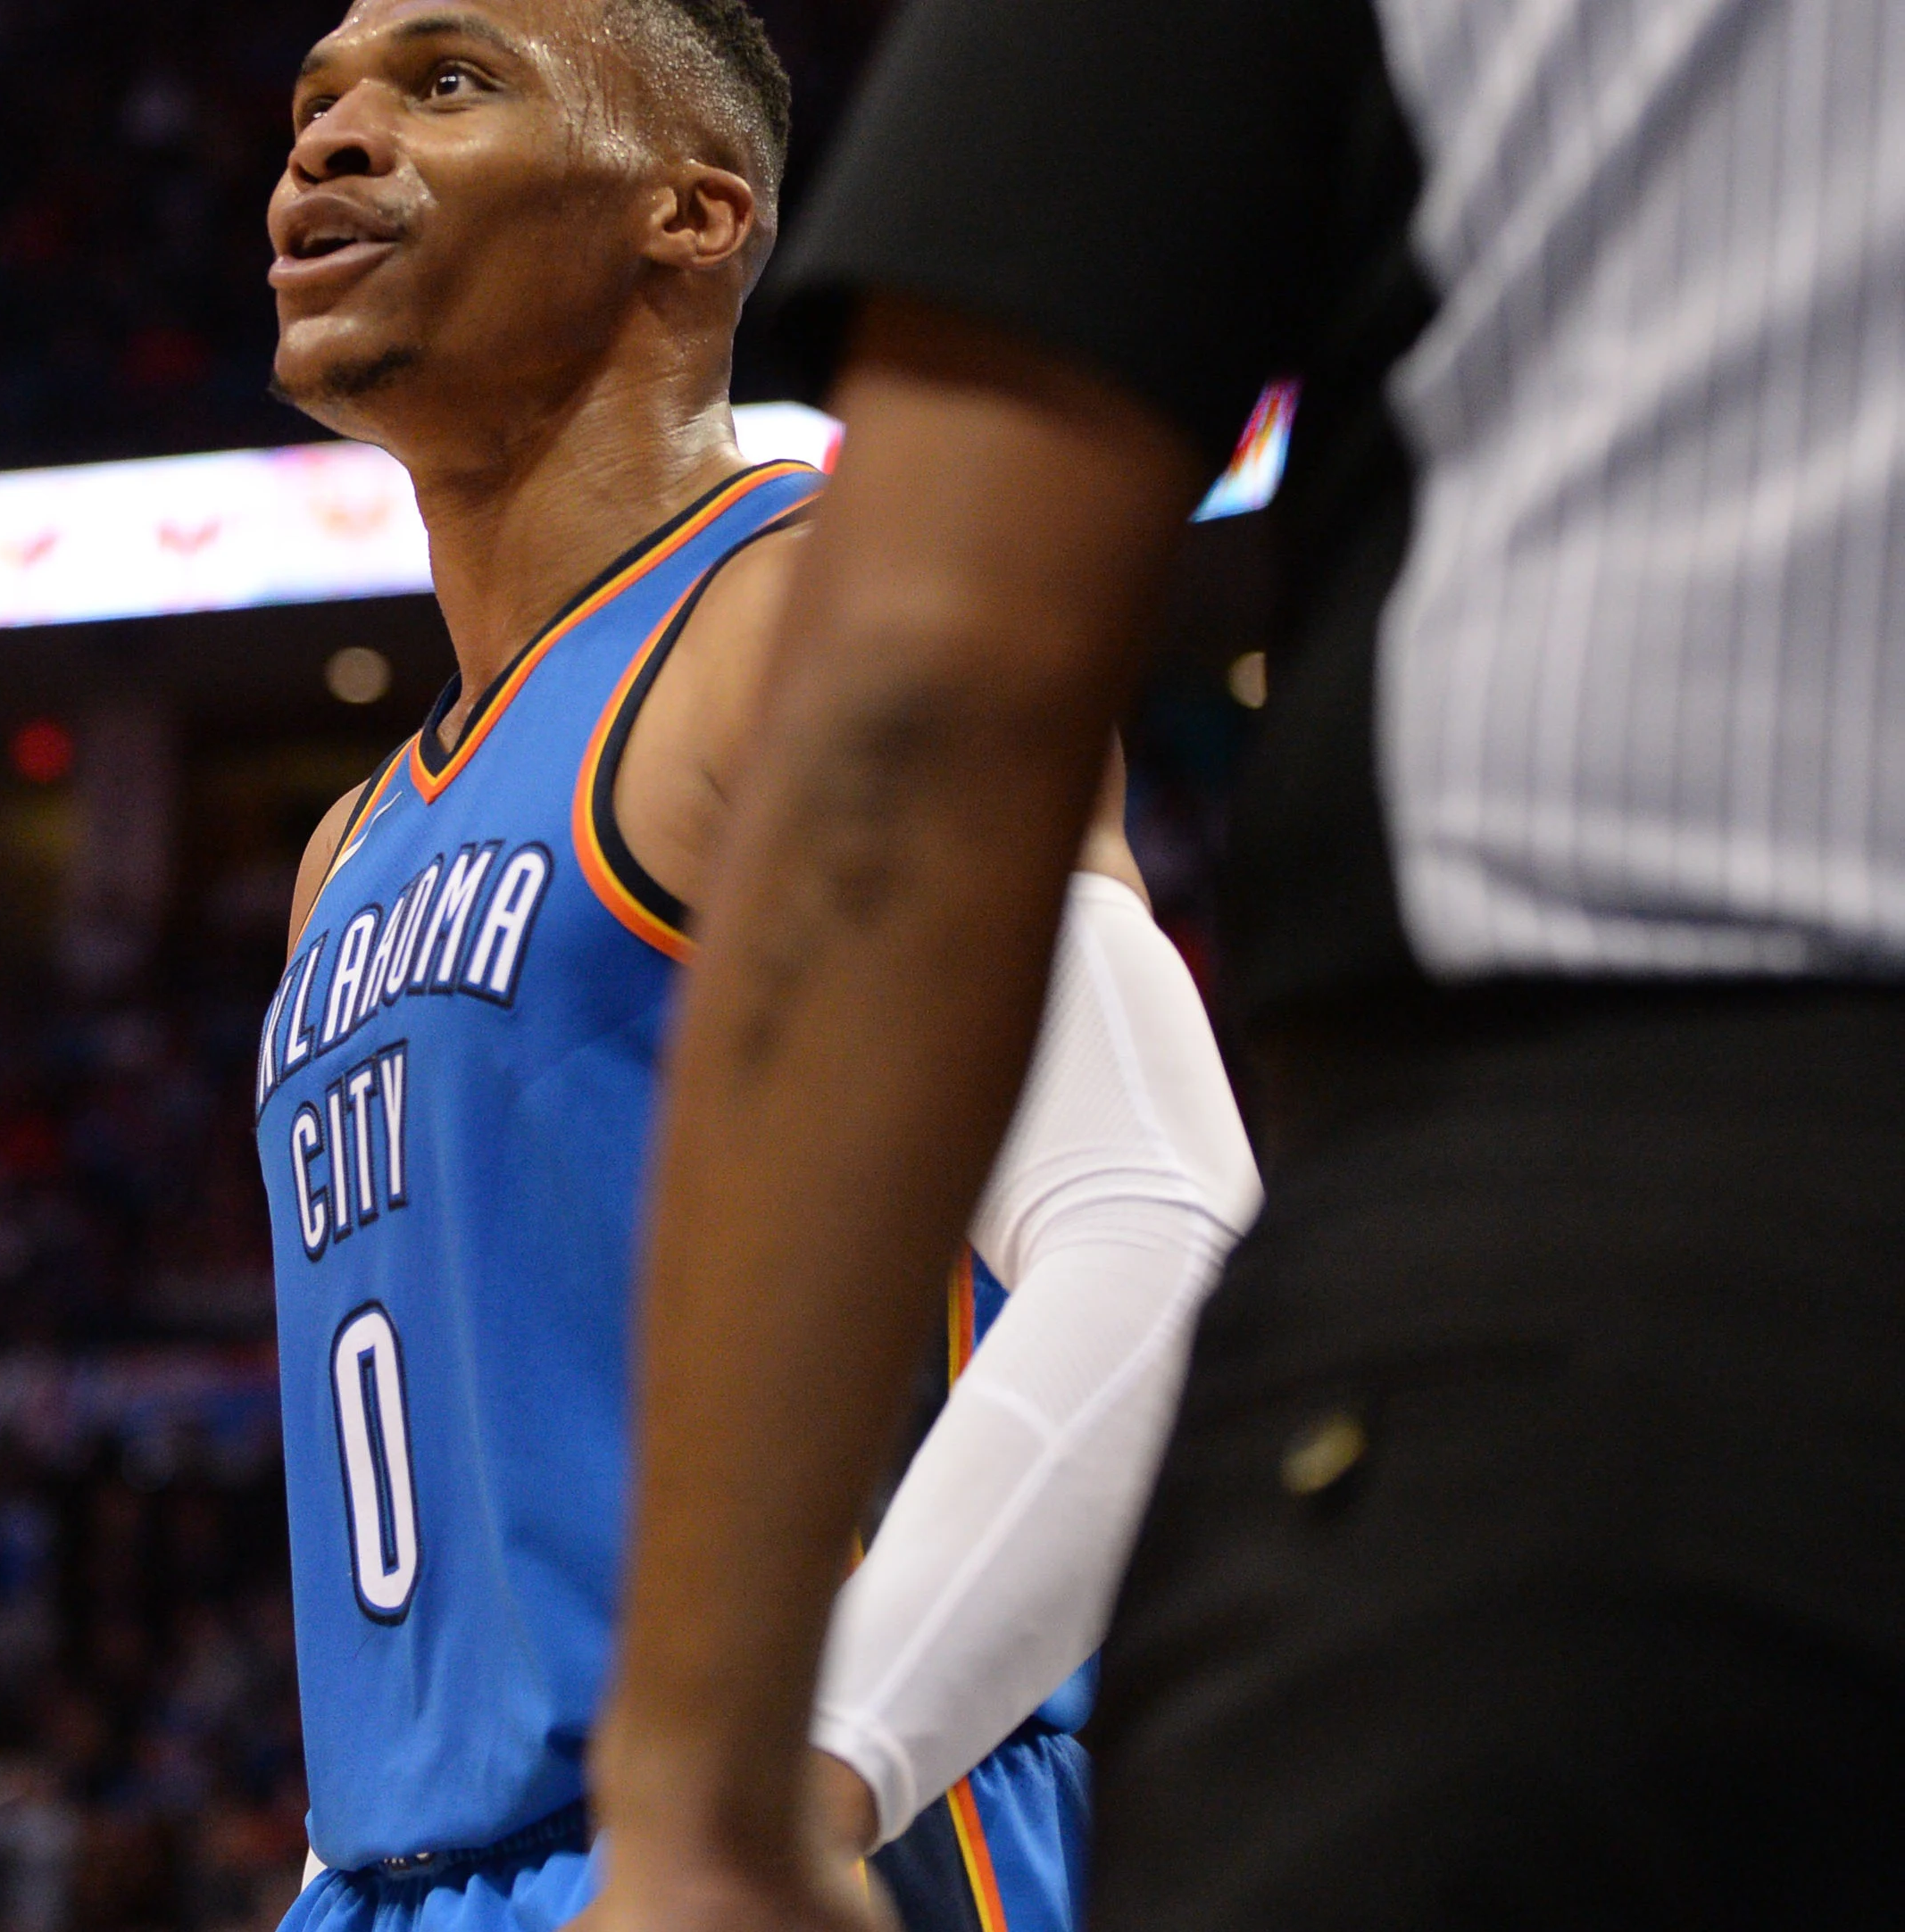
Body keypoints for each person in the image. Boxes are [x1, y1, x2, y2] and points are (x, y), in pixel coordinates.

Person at [583, 0, 1905, 1928]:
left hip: (1632, 1270)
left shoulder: (728, 618)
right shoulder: (360, 839)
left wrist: (715, 1788)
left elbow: (930, 690)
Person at [248, 2, 1259, 1928]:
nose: (330, 141)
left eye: (442, 86)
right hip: (413, 1871)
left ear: (693, 216)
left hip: (834, 1827)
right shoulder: (350, 846)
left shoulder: (806, 617)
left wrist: (800, 1780)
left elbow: (1159, 1227)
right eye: (314, 103)